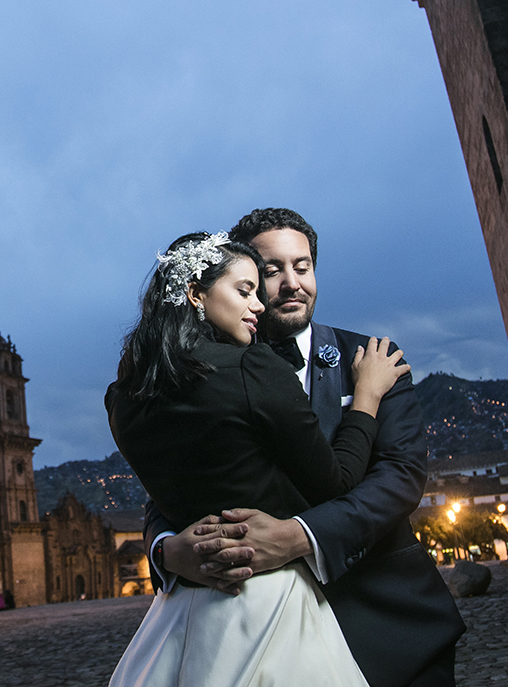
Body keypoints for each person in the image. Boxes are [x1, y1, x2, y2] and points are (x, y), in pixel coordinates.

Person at [145, 210, 466, 687]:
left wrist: (299, 537)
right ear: (245, 277)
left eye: (304, 265)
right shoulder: (196, 374)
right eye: (272, 271)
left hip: (385, 617)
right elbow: (169, 483)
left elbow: (399, 477)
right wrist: (168, 553)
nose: (293, 283)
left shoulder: (375, 358)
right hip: (255, 636)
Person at [106, 231, 406, 687]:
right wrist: (365, 396)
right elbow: (338, 482)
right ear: (195, 294)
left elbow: (167, 498)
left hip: (177, 616)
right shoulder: (254, 367)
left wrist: (166, 551)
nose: (260, 305)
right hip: (266, 598)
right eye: (245, 290)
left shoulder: (122, 398)